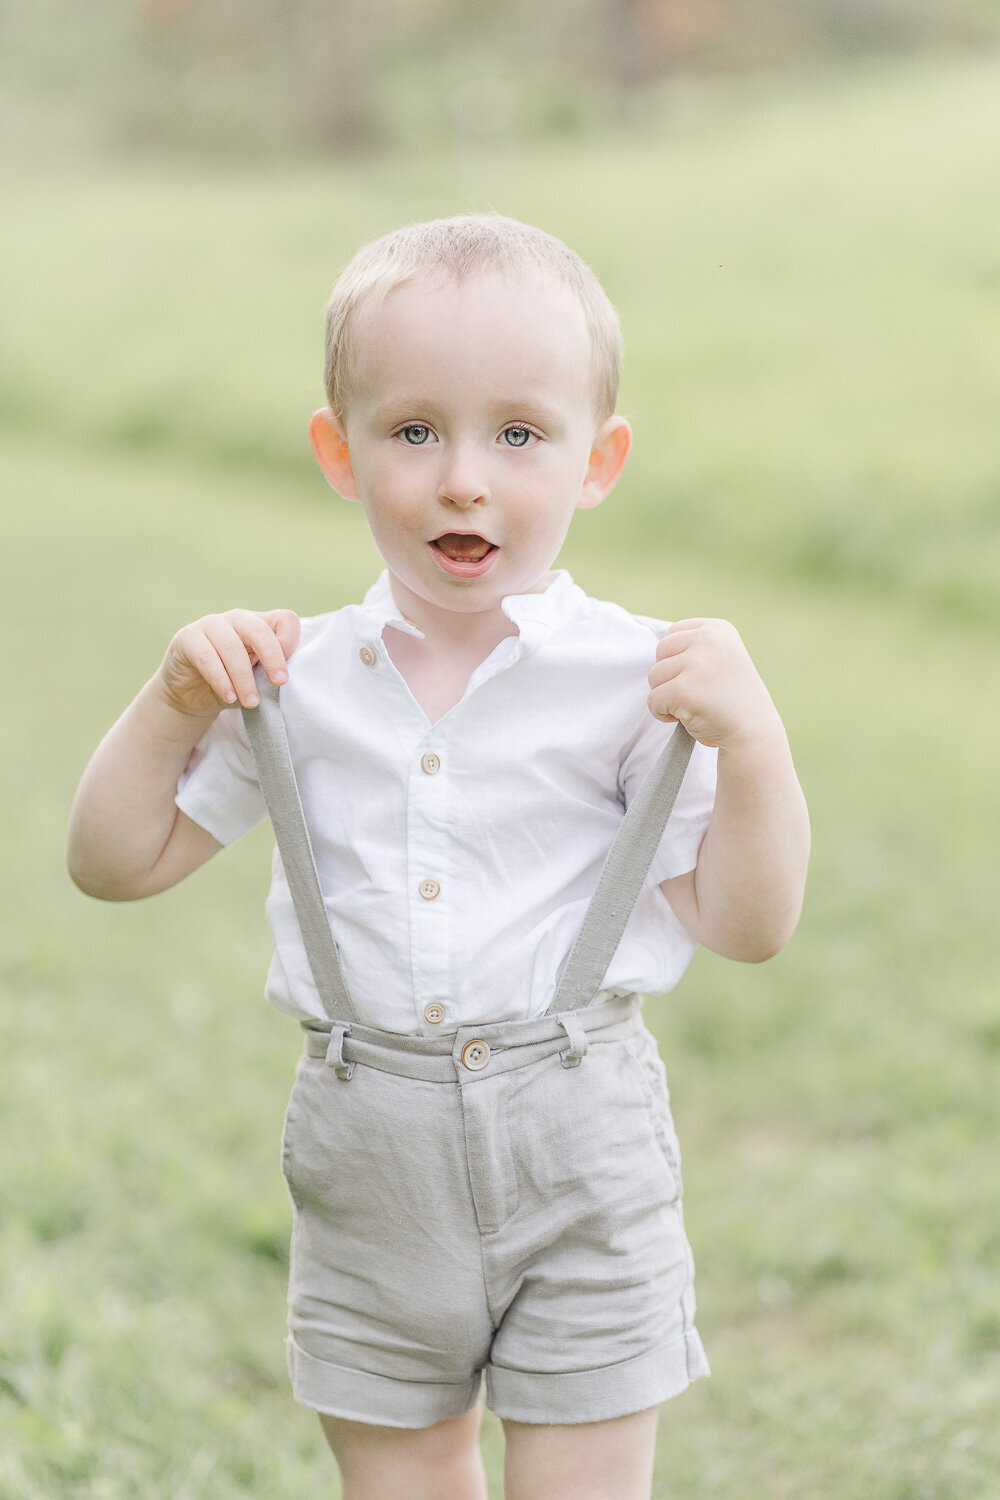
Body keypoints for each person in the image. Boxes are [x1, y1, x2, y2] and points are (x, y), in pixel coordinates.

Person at [67, 213, 809, 1500]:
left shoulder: (634, 682)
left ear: (598, 461)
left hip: (578, 1146)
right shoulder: (292, 686)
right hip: (369, 1158)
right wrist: (172, 700)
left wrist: (754, 742)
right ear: (339, 453)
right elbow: (113, 863)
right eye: (414, 431)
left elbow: (747, 924)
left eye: (519, 434)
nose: (464, 479)